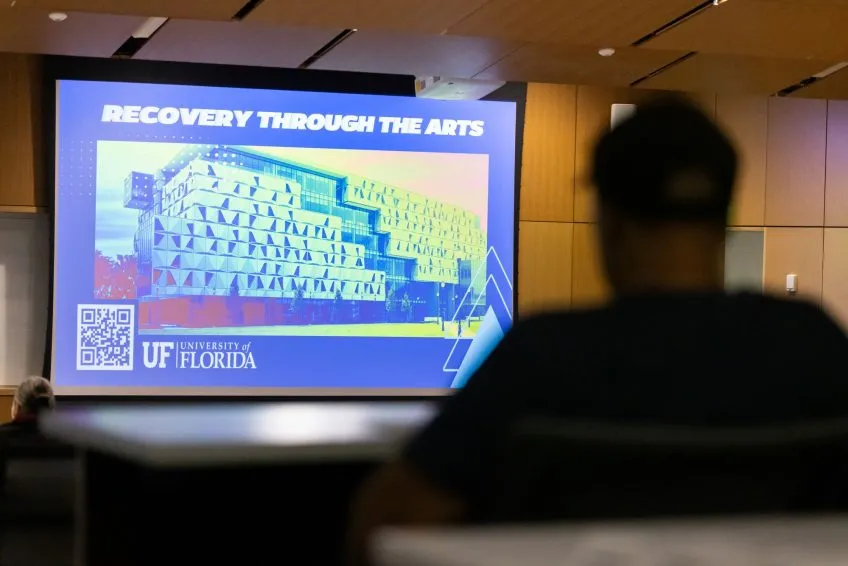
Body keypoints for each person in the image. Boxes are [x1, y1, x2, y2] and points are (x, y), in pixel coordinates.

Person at [347, 96, 848, 564]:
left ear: (608, 220)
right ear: (726, 220)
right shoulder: (814, 345)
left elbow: (389, 523)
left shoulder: (539, 356)